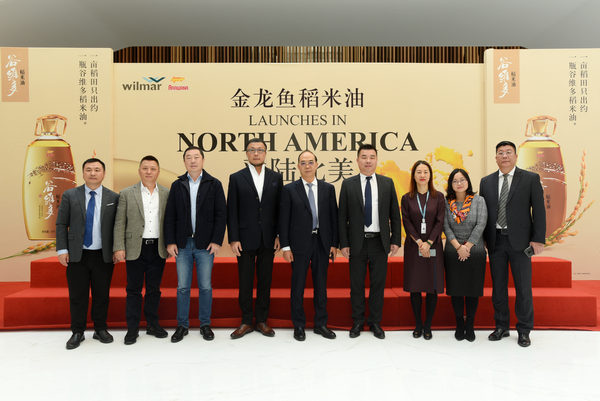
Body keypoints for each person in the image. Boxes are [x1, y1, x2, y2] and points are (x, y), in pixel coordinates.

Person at [479, 140, 545, 347]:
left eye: (509, 152)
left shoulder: (530, 179)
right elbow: (483, 213)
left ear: (516, 156)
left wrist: (538, 238)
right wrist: (483, 239)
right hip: (495, 241)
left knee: (523, 288)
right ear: (495, 158)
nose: (505, 156)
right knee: (498, 288)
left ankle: (524, 330)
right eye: (500, 153)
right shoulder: (486, 182)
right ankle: (501, 326)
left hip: (521, 243)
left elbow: (539, 210)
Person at [338, 144, 401, 339]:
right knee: (356, 285)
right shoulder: (348, 184)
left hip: (379, 242)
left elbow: (394, 214)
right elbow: (342, 217)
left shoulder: (387, 183)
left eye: (372, 157)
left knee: (378, 285)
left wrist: (395, 239)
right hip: (356, 243)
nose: (368, 161)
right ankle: (357, 321)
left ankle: (375, 322)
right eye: (364, 157)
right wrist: (343, 243)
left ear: (376, 160)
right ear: (357, 160)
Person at [164, 146, 227, 343]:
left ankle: (205, 324)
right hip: (182, 244)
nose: (193, 161)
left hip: (205, 245)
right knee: (182, 287)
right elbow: (170, 215)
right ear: (184, 161)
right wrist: (170, 241)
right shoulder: (177, 185)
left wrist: (216, 240)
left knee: (205, 286)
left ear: (203, 160)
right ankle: (182, 325)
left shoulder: (214, 184)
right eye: (189, 157)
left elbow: (221, 215)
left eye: (196, 157)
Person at [56, 158, 119, 350]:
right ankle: (78, 331)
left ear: (104, 173)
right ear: (83, 173)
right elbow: (61, 223)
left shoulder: (113, 197)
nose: (93, 173)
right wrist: (62, 249)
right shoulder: (70, 195)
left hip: (103, 255)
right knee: (78, 295)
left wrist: (117, 248)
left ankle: (100, 329)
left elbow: (118, 226)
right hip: (77, 254)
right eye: (89, 170)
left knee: (102, 295)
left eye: (97, 170)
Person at [279, 150, 339, 341]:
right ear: (298, 166)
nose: (307, 166)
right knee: (298, 286)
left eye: (310, 162)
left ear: (317, 164)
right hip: (298, 245)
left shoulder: (328, 189)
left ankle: (321, 324)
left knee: (321, 286)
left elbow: (334, 218)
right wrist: (285, 247)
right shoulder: (289, 190)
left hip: (322, 243)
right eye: (303, 163)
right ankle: (298, 325)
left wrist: (334, 244)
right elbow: (283, 220)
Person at [227, 138, 283, 339]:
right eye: (252, 150)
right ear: (247, 153)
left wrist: (279, 235)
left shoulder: (276, 177)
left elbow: (280, 209)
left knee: (265, 281)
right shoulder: (236, 178)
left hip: (269, 238)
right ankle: (245, 321)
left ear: (265, 153)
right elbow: (231, 210)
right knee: (245, 281)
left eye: (260, 150)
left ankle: (261, 321)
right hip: (244, 238)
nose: (256, 153)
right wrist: (234, 238)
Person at [113, 155, 170, 345]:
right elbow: (119, 222)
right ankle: (132, 329)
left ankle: (153, 325)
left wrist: (171, 243)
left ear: (158, 171)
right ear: (139, 171)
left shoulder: (166, 193)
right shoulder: (126, 193)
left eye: (152, 168)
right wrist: (119, 247)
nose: (148, 172)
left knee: (154, 290)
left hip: (158, 248)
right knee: (133, 290)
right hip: (134, 248)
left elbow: (170, 221)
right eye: (145, 168)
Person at [401, 160, 445, 340]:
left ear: (430, 175)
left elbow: (440, 221)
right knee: (416, 287)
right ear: (413, 175)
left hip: (434, 246)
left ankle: (428, 326)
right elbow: (406, 222)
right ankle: (418, 324)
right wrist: (420, 242)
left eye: (425, 172)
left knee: (432, 287)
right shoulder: (407, 198)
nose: (422, 175)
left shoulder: (438, 197)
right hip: (414, 247)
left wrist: (429, 242)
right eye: (418, 172)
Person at [443, 168, 487, 342]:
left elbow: (481, 224)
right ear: (451, 184)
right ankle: (459, 323)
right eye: (455, 181)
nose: (459, 183)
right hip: (453, 249)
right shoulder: (446, 202)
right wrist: (458, 247)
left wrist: (467, 247)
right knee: (456, 289)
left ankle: (470, 324)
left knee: (472, 289)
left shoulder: (479, 200)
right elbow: (445, 226)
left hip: (474, 249)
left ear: (468, 181)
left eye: (462, 180)